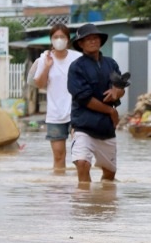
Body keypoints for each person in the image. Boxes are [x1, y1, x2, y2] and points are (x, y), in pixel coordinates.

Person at [67, 23, 125, 184]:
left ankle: (104, 200)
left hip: (106, 128)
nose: (93, 41)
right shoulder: (76, 67)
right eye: (88, 39)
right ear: (80, 44)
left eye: (95, 38)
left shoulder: (111, 64)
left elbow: (120, 86)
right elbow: (83, 98)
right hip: (83, 126)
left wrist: (116, 91)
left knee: (109, 174)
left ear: (100, 41)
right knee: (82, 163)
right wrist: (111, 111)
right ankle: (84, 204)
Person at [30, 24, 83, 171]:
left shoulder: (78, 58)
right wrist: (47, 66)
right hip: (55, 114)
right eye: (56, 37)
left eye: (62, 37)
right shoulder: (44, 59)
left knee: (80, 155)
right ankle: (59, 189)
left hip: (77, 112)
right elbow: (40, 84)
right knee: (59, 156)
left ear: (68, 39)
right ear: (51, 39)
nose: (59, 40)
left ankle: (81, 189)